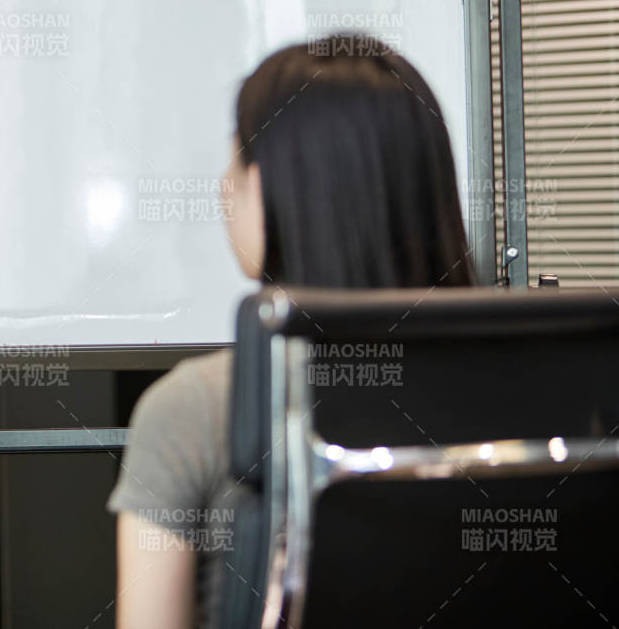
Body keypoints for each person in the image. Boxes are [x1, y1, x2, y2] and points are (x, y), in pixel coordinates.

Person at [108, 35, 476, 629]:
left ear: (268, 187)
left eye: (234, 159)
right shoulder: (543, 388)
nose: (222, 188)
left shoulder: (198, 408)